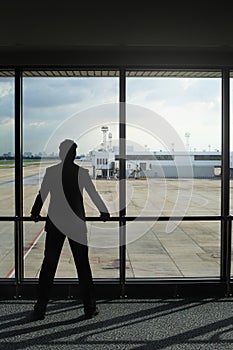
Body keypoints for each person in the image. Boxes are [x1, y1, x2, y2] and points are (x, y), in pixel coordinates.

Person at [28, 139, 110, 321]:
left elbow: (42, 194)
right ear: (74, 154)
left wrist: (35, 212)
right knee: (82, 266)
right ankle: (89, 307)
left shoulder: (51, 172)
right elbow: (93, 194)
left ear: (60, 153)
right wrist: (104, 212)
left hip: (56, 223)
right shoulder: (82, 173)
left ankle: (40, 308)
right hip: (76, 224)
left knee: (48, 266)